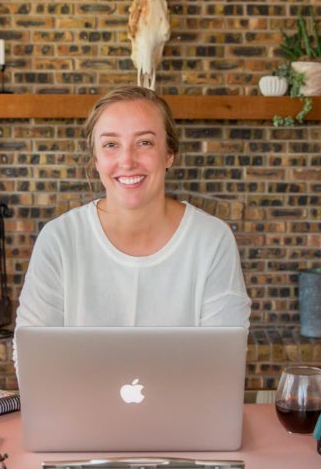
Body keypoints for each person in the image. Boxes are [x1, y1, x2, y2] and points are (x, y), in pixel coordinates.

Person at [15, 86, 251, 332]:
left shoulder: (212, 239)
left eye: (144, 142)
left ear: (169, 154)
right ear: (95, 159)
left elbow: (223, 358)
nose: (127, 161)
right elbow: (32, 353)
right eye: (110, 144)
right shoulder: (59, 239)